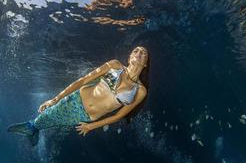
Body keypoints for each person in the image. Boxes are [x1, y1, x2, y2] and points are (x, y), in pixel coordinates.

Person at [7, 46, 149, 146]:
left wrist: (91, 126)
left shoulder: (140, 91)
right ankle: (31, 127)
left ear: (146, 63)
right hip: (76, 99)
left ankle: (33, 130)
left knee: (56, 121)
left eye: (143, 53)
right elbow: (84, 80)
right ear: (130, 56)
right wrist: (55, 99)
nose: (139, 53)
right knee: (49, 115)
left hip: (85, 117)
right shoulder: (115, 65)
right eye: (136, 50)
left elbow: (118, 116)